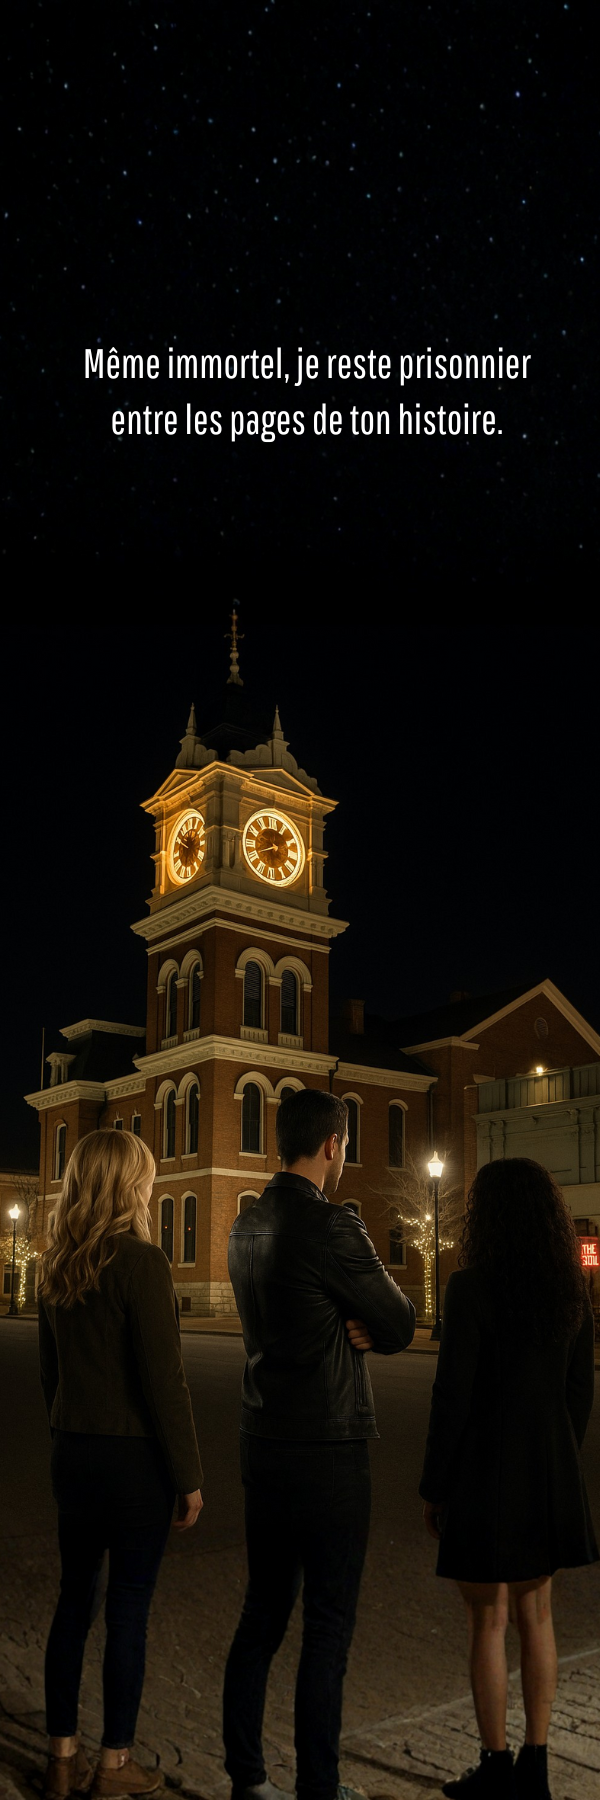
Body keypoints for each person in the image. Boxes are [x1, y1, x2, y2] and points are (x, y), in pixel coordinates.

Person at [223, 1087, 416, 1800]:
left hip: (262, 1438)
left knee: (262, 1614)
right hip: (329, 1449)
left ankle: (247, 1777)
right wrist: (355, 1321)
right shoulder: (334, 1226)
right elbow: (398, 1321)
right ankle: (319, 1787)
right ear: (333, 1144)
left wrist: (348, 1316)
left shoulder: (245, 1227)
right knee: (327, 1624)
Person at [419, 1157, 598, 1800]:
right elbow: (581, 1390)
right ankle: (538, 1766)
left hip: (483, 1474)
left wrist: (435, 1484)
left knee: (487, 1622)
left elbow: (453, 1397)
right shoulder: (572, 1290)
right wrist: (557, 1451)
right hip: (546, 1473)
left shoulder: (470, 1289)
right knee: (538, 1615)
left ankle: (495, 1767)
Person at [38, 1129, 203, 1800]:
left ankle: (59, 1759)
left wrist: (66, 1436)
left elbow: (50, 1379)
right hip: (134, 1462)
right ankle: (113, 1765)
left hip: (73, 1456)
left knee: (73, 1603)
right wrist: (188, 1475)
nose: (151, 1188)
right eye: (146, 1177)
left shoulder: (54, 1264)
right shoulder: (143, 1262)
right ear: (128, 1185)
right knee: (128, 1611)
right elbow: (165, 1382)